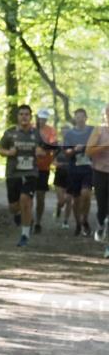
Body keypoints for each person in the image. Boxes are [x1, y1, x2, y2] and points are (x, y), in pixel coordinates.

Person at [0, 105, 49, 247]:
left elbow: (45, 151)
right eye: (21, 114)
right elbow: (0, 149)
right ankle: (18, 215)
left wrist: (41, 152)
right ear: (18, 117)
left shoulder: (37, 134)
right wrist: (9, 153)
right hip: (13, 173)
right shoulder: (10, 133)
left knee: (25, 201)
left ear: (31, 117)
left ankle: (25, 235)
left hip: (30, 172)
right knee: (14, 207)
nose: (24, 117)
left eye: (27, 114)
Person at [63, 108, 95, 237]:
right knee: (76, 200)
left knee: (86, 194)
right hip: (74, 169)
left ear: (86, 118)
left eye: (82, 116)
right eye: (78, 117)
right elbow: (66, 153)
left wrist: (89, 149)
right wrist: (75, 150)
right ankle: (78, 223)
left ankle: (85, 219)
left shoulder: (93, 131)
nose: (80, 119)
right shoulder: (69, 134)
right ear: (74, 119)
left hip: (88, 168)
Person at [84, 104, 109, 258]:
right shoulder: (99, 130)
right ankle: (100, 225)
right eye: (108, 112)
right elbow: (88, 151)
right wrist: (105, 146)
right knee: (102, 207)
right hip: (100, 173)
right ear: (104, 115)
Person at [33, 109, 58, 233]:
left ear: (47, 119)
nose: (41, 120)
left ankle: (38, 221)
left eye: (44, 119)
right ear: (36, 118)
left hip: (43, 168)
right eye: (39, 118)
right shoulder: (30, 128)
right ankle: (28, 218)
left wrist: (43, 148)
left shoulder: (51, 130)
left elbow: (54, 144)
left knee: (40, 196)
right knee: (27, 195)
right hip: (29, 167)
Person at [54, 124, 74, 229]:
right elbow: (53, 160)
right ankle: (58, 206)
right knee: (62, 200)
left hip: (71, 175)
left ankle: (65, 221)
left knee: (69, 199)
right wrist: (56, 164)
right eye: (63, 131)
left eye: (67, 131)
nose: (65, 133)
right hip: (59, 174)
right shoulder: (58, 145)